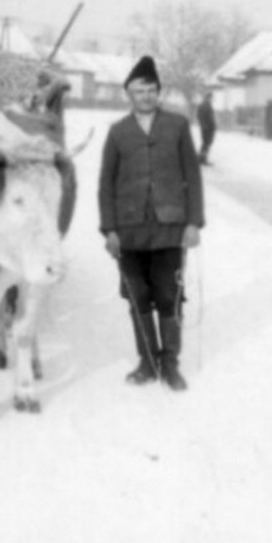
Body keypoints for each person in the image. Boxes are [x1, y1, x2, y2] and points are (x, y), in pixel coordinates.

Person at [98, 56, 204, 391]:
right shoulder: (118, 132)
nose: (145, 96)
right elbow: (105, 184)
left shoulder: (177, 126)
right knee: (138, 298)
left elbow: (193, 175)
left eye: (151, 89)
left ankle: (170, 365)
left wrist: (193, 223)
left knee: (169, 296)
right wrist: (110, 230)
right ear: (128, 94)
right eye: (138, 90)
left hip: (169, 230)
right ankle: (147, 363)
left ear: (158, 92)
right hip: (129, 234)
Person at [196, 91, 217, 165]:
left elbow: (199, 117)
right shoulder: (205, 105)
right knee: (206, 143)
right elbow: (201, 117)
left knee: (205, 143)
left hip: (207, 127)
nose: (212, 99)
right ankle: (203, 159)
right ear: (208, 98)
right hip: (207, 128)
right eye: (211, 98)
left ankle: (200, 158)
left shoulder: (204, 105)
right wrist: (205, 126)